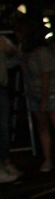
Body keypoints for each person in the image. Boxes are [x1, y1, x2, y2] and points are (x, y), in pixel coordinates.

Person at [21, 23, 55, 173]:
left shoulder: (42, 52)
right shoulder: (26, 53)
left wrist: (43, 99)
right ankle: (48, 159)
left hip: (50, 93)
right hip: (34, 93)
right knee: (42, 127)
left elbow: (46, 77)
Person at [0, 33, 21, 183]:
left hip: (1, 87)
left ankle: (6, 162)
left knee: (3, 128)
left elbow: (14, 58)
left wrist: (9, 49)